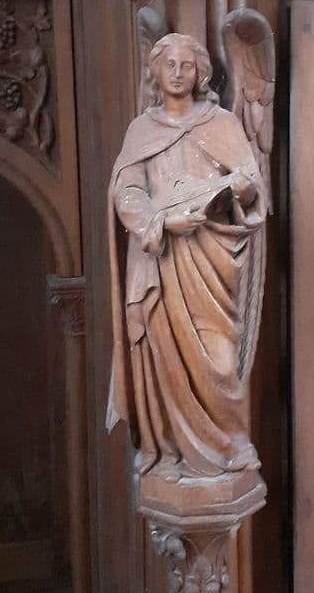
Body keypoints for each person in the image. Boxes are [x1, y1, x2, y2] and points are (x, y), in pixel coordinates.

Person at [107, 33, 268, 480]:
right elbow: (128, 192)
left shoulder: (223, 124)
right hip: (160, 260)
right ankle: (169, 450)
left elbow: (253, 186)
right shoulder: (141, 130)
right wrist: (159, 222)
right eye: (169, 65)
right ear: (155, 71)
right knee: (163, 357)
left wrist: (240, 188)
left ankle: (231, 446)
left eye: (187, 65)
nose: (178, 73)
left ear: (201, 73)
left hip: (213, 257)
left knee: (220, 359)